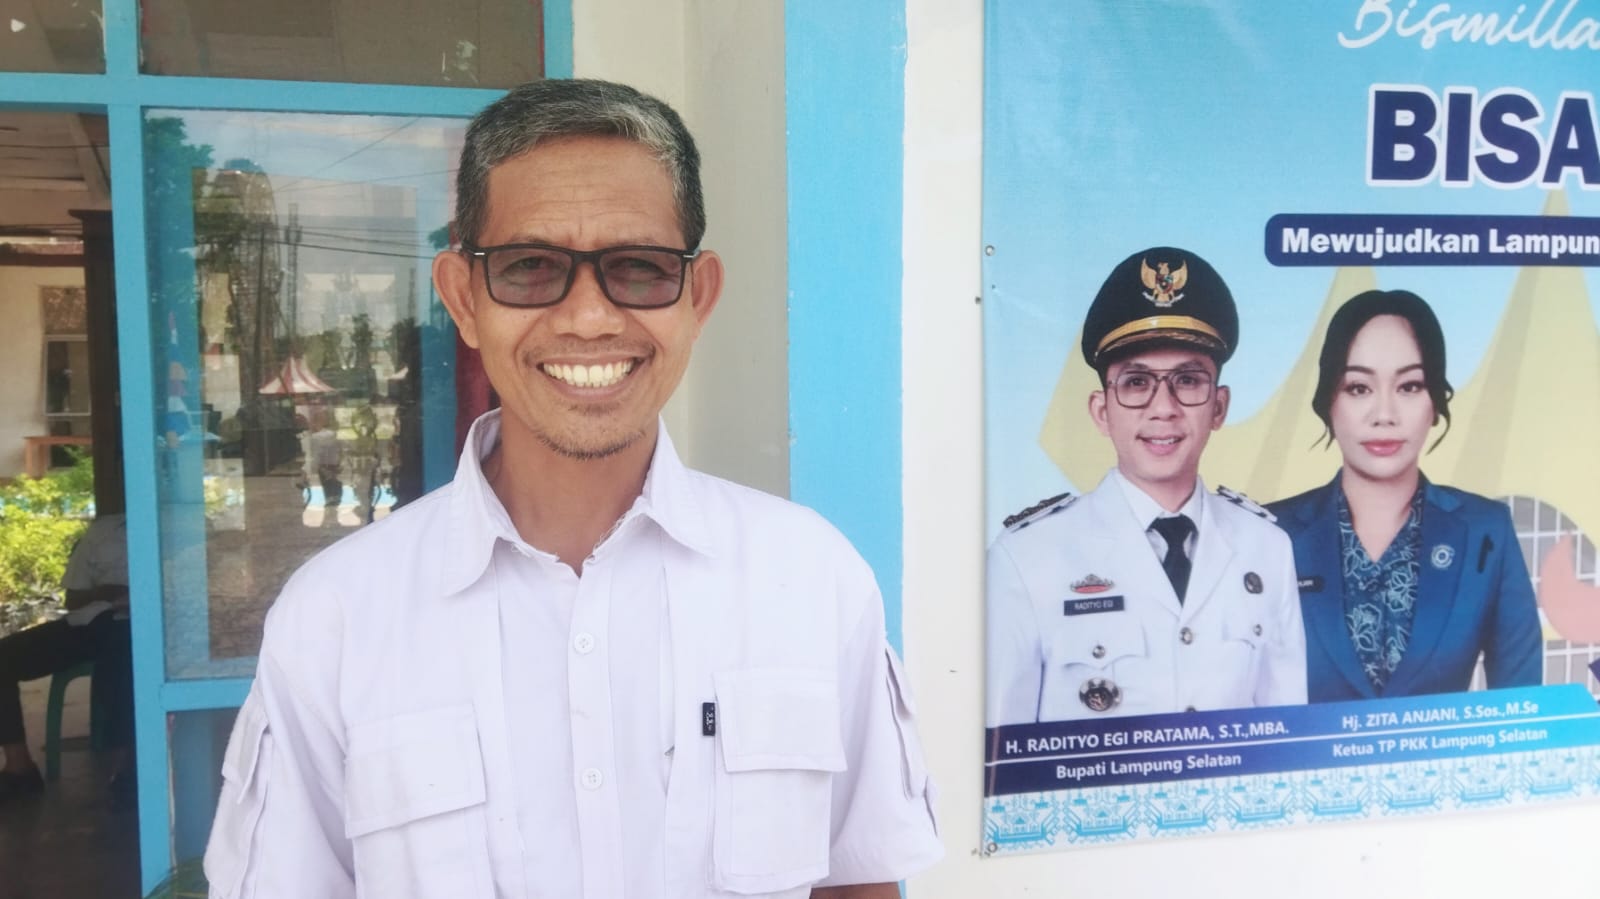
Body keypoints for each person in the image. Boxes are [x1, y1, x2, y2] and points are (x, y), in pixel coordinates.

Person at [204, 79, 940, 899]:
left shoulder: (814, 580)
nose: (589, 318)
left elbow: (857, 882)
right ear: (463, 299)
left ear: (697, 297)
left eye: (639, 267)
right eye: (530, 267)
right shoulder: (336, 619)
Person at [986, 247, 1306, 725]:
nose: (1163, 408)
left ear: (1218, 407)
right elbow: (1002, 751)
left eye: (1188, 380)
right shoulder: (1026, 559)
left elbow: (1286, 737)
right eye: (1137, 383)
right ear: (1101, 411)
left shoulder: (1267, 548)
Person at [1266, 290, 1542, 701]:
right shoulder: (1269, 532)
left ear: (1435, 402)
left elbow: (1523, 706)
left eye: (1410, 386)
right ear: (1329, 401)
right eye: (1358, 388)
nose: (1385, 414)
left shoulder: (1486, 532)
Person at [0, 509, 133, 805]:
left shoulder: (178, 525)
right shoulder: (103, 531)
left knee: (121, 664)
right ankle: (19, 767)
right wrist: (104, 593)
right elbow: (73, 599)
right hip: (89, 624)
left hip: (140, 627)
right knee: (4, 657)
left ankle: (129, 768)